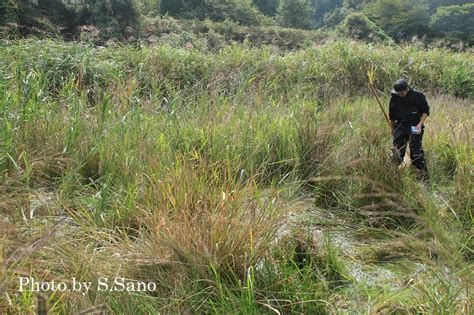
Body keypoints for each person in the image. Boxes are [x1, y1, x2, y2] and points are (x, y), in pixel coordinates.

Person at [389, 79, 430, 180]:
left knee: (416, 152)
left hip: (415, 125)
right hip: (400, 125)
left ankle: (423, 177)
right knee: (398, 152)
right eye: (398, 93)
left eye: (402, 93)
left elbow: (425, 111)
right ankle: (391, 175)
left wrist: (420, 124)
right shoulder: (394, 97)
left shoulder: (418, 96)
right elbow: (392, 115)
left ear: (407, 89)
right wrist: (393, 129)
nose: (400, 95)